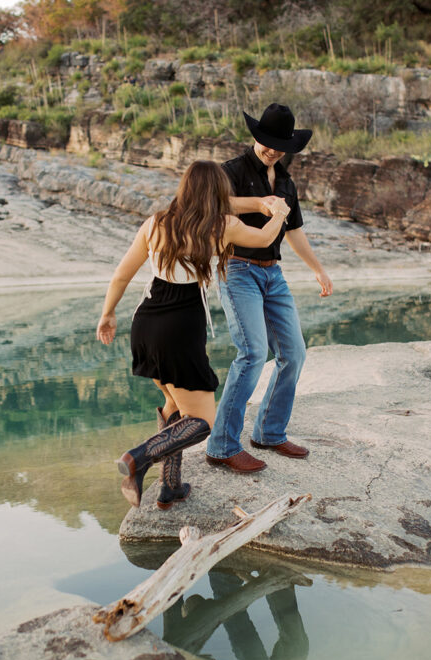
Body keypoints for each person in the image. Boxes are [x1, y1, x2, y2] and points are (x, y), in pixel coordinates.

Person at [97, 160, 290, 509]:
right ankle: (139, 457)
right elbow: (263, 238)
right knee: (203, 421)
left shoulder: (155, 222)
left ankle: (170, 486)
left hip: (145, 324)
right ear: (217, 193)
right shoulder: (221, 226)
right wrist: (279, 211)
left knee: (174, 403)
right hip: (179, 328)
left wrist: (107, 314)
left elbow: (120, 276)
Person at [205, 103, 333, 473]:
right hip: (238, 269)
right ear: (255, 136)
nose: (271, 149)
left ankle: (269, 433)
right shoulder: (231, 171)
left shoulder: (289, 184)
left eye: (279, 144)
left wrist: (318, 270)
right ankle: (222, 445)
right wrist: (261, 204)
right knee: (252, 353)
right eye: (266, 141)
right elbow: (213, 203)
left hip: (273, 275)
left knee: (293, 354)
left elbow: (293, 232)